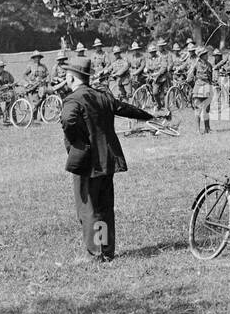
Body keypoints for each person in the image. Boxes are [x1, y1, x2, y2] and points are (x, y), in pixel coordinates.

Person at [58, 55, 157, 262]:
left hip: (86, 162)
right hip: (107, 161)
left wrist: (78, 141)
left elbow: (68, 120)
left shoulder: (73, 99)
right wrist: (149, 116)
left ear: (71, 78)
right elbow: (125, 109)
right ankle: (106, 250)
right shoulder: (103, 96)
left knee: (88, 209)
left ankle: (95, 253)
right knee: (104, 208)